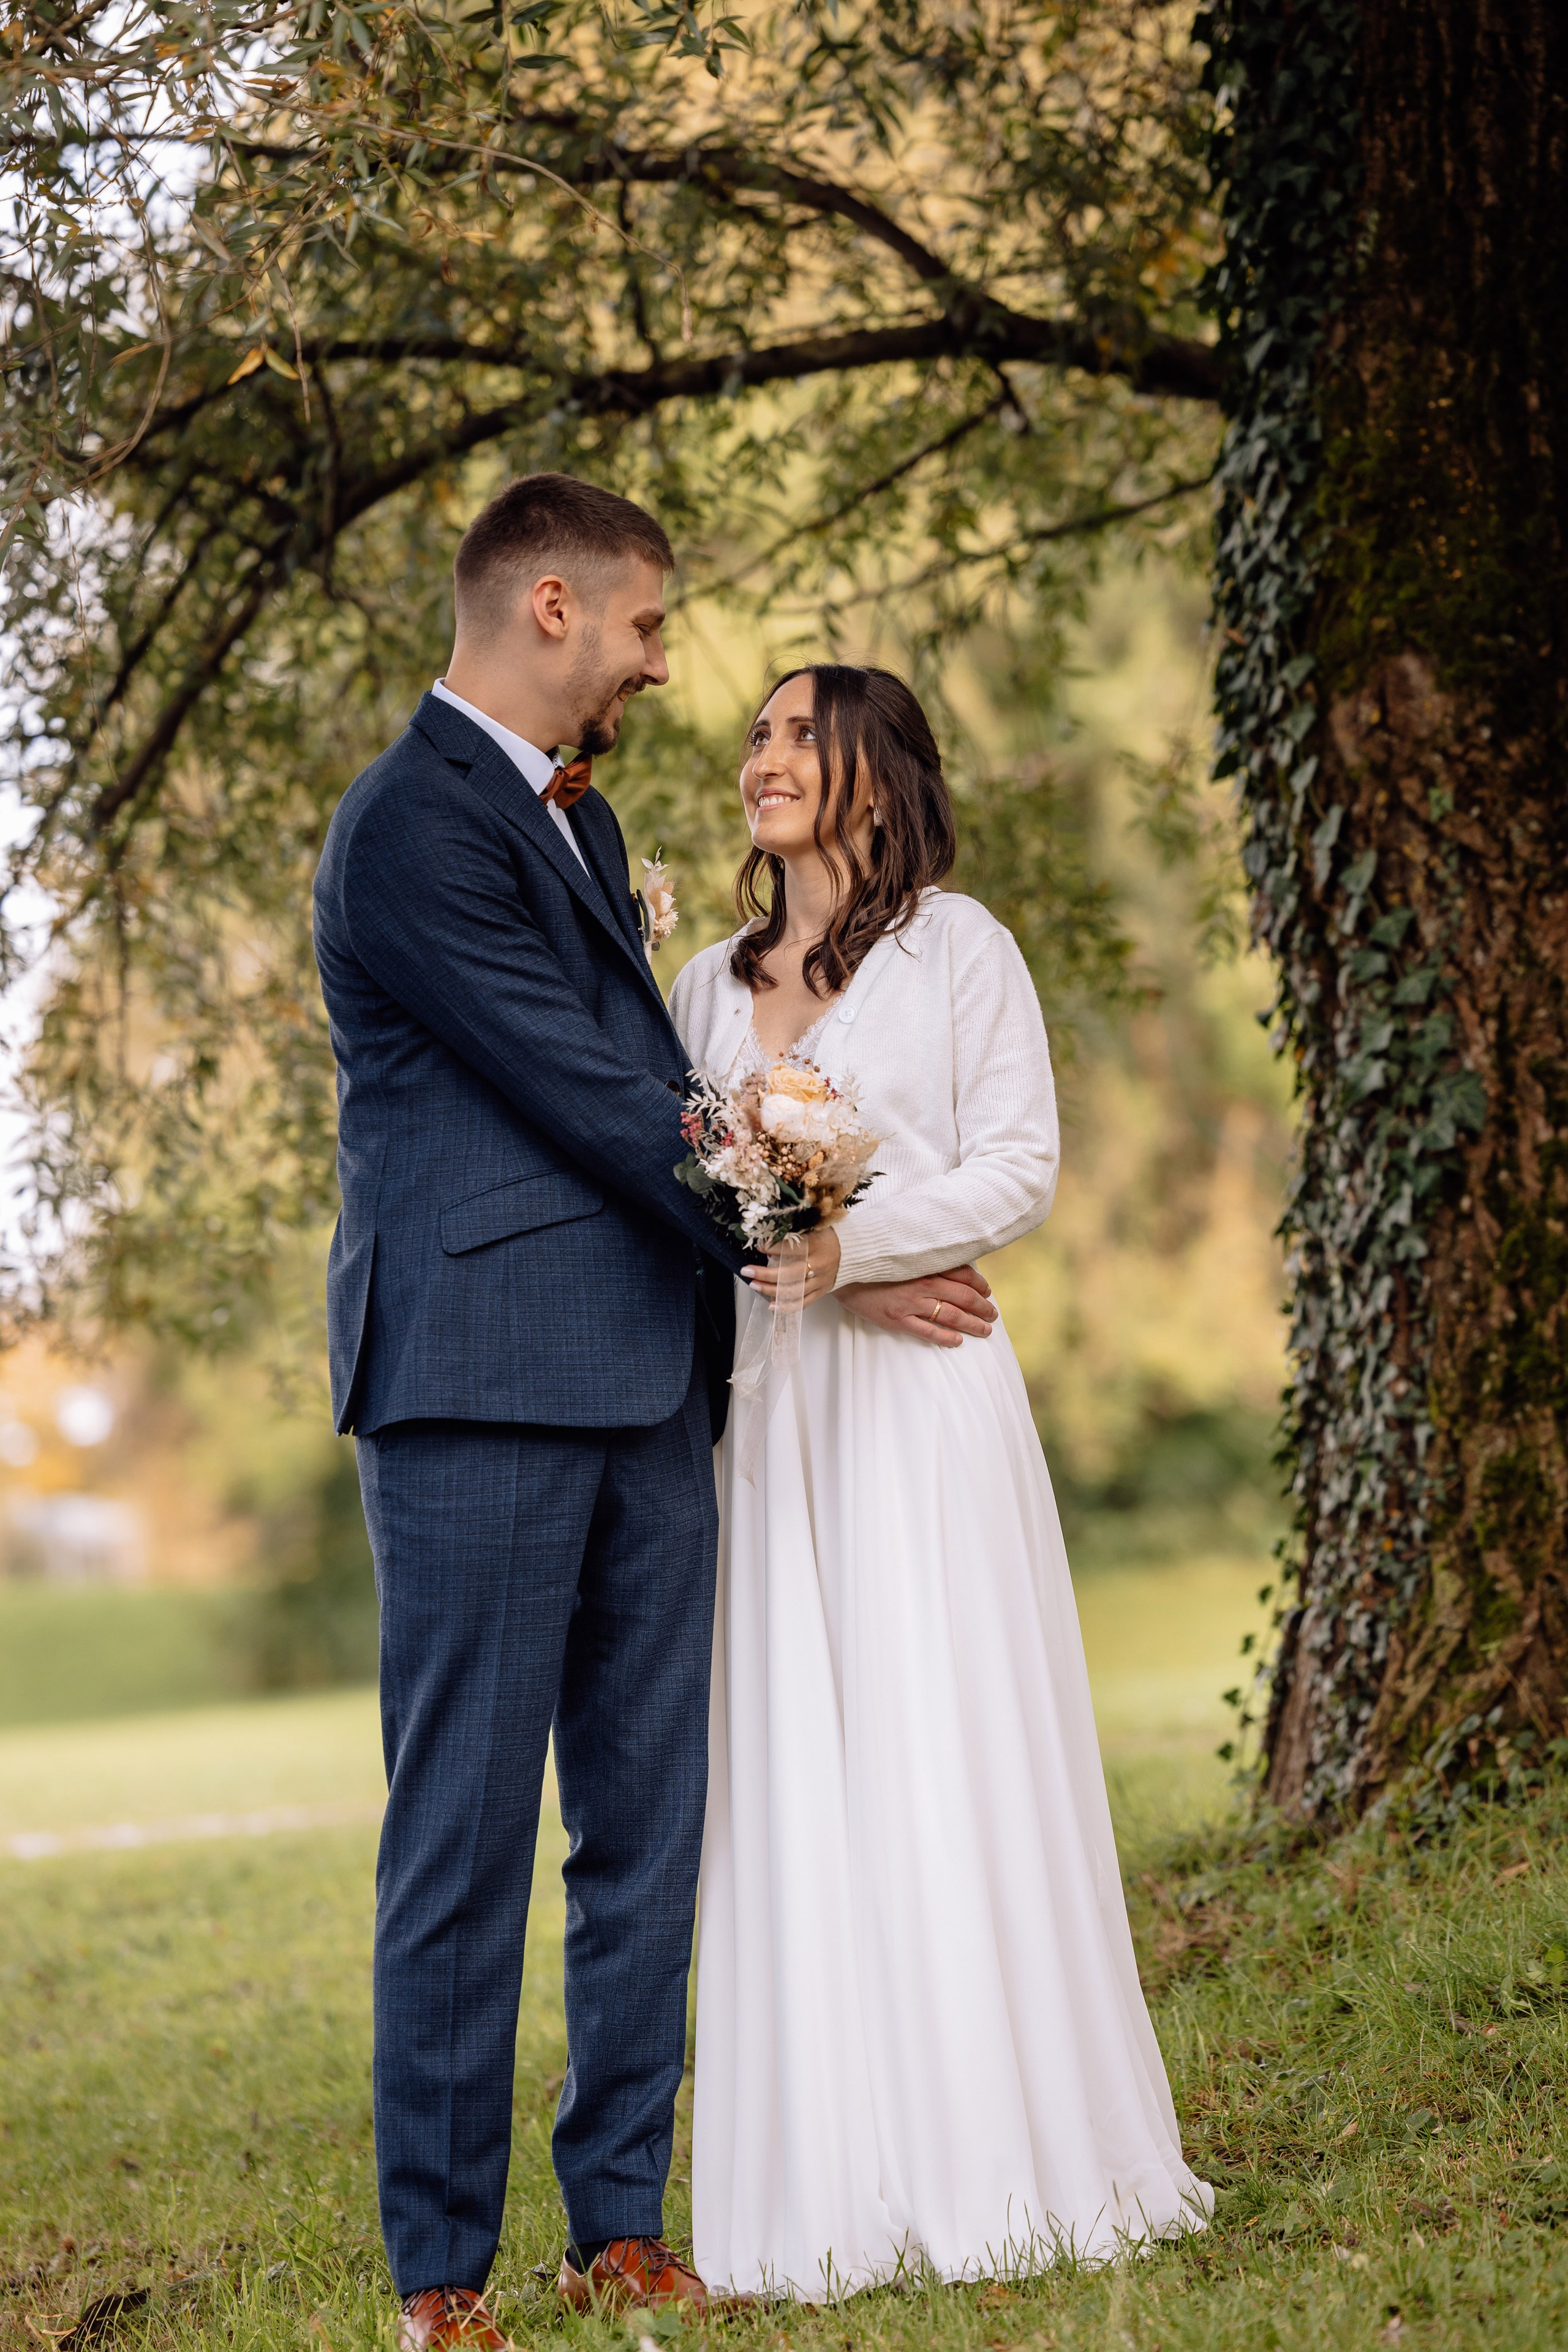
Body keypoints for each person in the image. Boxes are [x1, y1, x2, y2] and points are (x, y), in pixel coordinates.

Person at [312, 479, 994, 2346]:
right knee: (461, 1831)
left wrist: (820, 1250)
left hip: (649, 1385)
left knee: (648, 1826)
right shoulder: (410, 830)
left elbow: (654, 1081)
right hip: (477, 1385)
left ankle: (618, 2218)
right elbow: (597, 1098)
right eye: (644, 628)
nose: (660, 663)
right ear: (551, 606)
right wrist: (827, 1237)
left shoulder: (590, 827)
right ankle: (442, 2276)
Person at [670, 665, 1212, 2302]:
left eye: (795, 731)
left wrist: (862, 1251)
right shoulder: (699, 982)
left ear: (878, 777)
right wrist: (801, 1261)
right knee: (795, 1757)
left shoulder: (961, 950)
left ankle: (1008, 2151)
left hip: (923, 1410)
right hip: (769, 1417)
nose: (761, 756)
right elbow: (686, 1193)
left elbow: (1017, 1163)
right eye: (753, 733)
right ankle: (827, 2187)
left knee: (941, 1743)